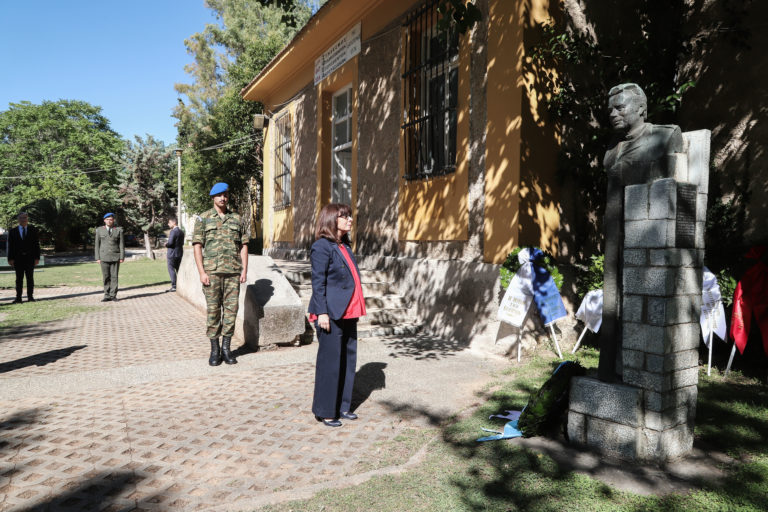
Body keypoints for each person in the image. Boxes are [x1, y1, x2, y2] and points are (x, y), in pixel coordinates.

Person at [599, 83, 683, 382]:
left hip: (644, 233)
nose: (613, 113)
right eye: (610, 109)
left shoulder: (664, 135)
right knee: (612, 303)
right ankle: (611, 369)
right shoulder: (613, 145)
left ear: (640, 108)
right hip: (615, 234)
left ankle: (629, 371)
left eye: (620, 107)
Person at [308, 203, 366, 427]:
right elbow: (318, 282)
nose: (350, 220)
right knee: (330, 363)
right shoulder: (321, 247)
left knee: (347, 361)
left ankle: (343, 406)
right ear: (332, 220)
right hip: (330, 313)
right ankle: (325, 411)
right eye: (344, 217)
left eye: (350, 216)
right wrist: (321, 312)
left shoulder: (345, 246)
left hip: (349, 312)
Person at [192, 182, 249, 366]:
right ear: (213, 198)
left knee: (231, 312)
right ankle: (215, 350)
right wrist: (202, 272)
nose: (222, 198)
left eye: (225, 194)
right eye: (219, 195)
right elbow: (197, 246)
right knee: (213, 312)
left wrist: (244, 270)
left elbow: (244, 246)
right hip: (212, 273)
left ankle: (227, 349)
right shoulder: (203, 219)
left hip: (232, 272)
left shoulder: (237, 219)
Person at [7, 212, 41, 303]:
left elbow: (36, 245)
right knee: (19, 279)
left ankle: (30, 297)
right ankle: (18, 298)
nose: (23, 219)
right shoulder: (13, 231)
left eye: (25, 218)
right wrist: (10, 259)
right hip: (18, 259)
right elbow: (10, 246)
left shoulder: (33, 230)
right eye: (21, 218)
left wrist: (37, 258)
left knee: (30, 278)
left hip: (30, 258)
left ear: (27, 219)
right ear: (18, 220)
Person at [94, 213, 125, 302]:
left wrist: (122, 256)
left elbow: (121, 245)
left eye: (111, 219)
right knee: (106, 276)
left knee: (114, 276)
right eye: (107, 219)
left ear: (113, 220)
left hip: (115, 256)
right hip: (104, 257)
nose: (109, 221)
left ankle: (113, 295)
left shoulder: (118, 230)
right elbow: (97, 245)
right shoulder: (99, 230)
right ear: (104, 220)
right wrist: (97, 257)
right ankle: (106, 295)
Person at [165, 216, 184, 292]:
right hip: (179, 253)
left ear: (174, 223)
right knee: (178, 269)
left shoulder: (173, 231)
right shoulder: (181, 232)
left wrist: (166, 244)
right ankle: (181, 284)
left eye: (169, 223)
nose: (168, 224)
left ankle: (174, 286)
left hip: (172, 254)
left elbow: (171, 243)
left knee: (171, 269)